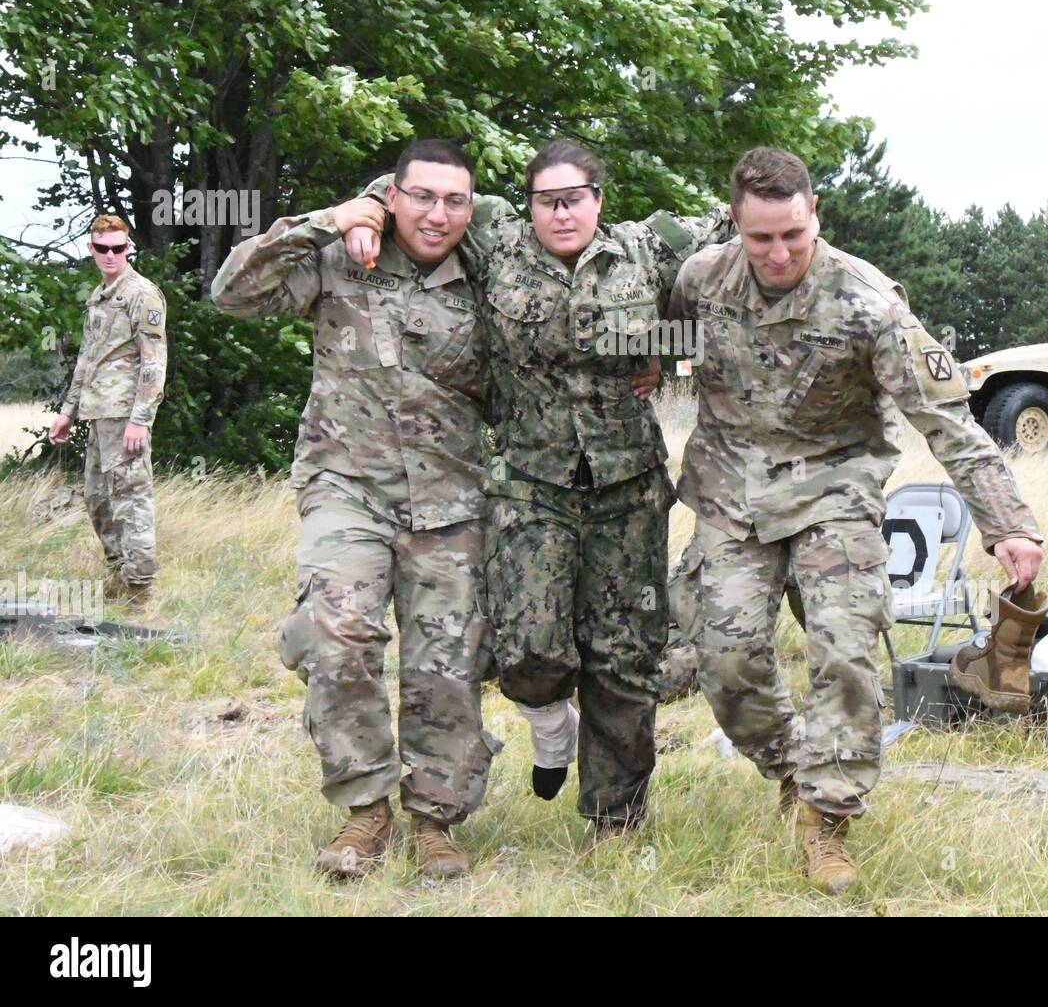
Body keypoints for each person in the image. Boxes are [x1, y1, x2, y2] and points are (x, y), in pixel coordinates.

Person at [667, 146, 1046, 892]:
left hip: (833, 490)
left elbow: (948, 424)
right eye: (760, 239)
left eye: (793, 236)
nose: (778, 254)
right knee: (726, 660)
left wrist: (1008, 524)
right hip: (731, 490)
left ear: (816, 217)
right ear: (735, 226)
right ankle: (793, 769)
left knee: (843, 653)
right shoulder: (700, 280)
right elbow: (667, 344)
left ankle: (829, 818)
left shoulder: (871, 303)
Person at [347, 139, 730, 832]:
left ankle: (615, 821)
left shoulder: (646, 248)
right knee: (526, 647)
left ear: (598, 199)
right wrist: (366, 212)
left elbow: (741, 229)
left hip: (627, 487)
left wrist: (672, 343)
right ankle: (550, 721)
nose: (560, 213)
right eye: (546, 201)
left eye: (573, 199)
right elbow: (409, 190)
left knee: (624, 659)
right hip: (529, 480)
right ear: (528, 205)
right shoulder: (494, 241)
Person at [210, 139, 503, 881]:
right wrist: (334, 217)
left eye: (455, 200)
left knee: (448, 663)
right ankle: (365, 808)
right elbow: (232, 294)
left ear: (472, 206)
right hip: (349, 487)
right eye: (422, 197)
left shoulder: (493, 265)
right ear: (393, 197)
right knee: (337, 630)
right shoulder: (344, 254)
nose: (438, 214)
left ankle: (435, 819)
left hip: (453, 497)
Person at [49, 215, 167, 596]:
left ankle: (140, 589)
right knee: (98, 499)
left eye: (119, 247)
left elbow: (154, 364)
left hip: (124, 415)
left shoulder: (141, 294)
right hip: (98, 413)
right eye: (103, 248)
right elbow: (87, 358)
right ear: (92, 249)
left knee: (131, 500)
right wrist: (68, 411)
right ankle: (118, 576)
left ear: (128, 247)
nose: (111, 255)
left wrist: (140, 420)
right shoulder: (100, 296)